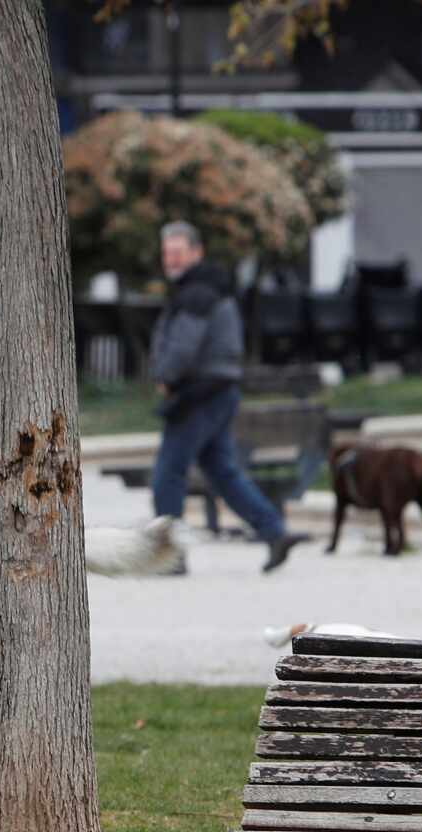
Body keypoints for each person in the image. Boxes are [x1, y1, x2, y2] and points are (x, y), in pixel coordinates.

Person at [149, 221, 305, 574]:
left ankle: (171, 555)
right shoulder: (206, 288)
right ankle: (274, 532)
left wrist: (164, 376)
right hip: (219, 391)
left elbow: (183, 346)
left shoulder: (197, 294)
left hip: (199, 393)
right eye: (167, 253)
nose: (171, 260)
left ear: (196, 252)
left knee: (168, 474)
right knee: (222, 471)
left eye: (178, 252)